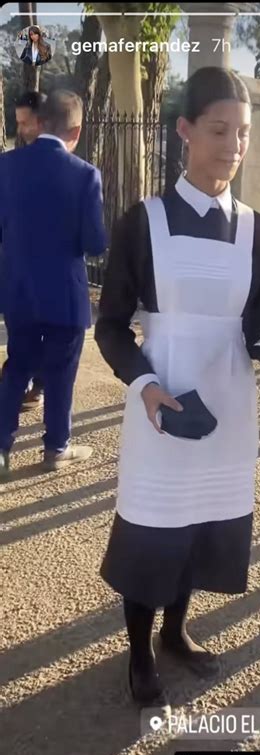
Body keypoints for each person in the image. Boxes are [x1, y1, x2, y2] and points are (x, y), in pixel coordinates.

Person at [95, 67, 260, 707]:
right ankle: (139, 653)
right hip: (163, 409)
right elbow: (109, 328)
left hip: (230, 411)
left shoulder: (255, 230)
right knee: (152, 531)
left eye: (242, 134)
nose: (232, 145)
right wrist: (147, 384)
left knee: (199, 527)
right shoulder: (146, 222)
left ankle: (176, 633)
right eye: (219, 129)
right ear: (186, 131)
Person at [0, 90, 107, 480]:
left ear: (40, 123)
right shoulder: (85, 175)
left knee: (17, 367)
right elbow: (95, 244)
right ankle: (56, 447)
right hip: (64, 292)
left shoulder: (5, 166)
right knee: (61, 373)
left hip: (18, 289)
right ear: (76, 130)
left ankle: (1, 447)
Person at [0, 92, 48, 409]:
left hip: (44, 262)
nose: (21, 130)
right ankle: (23, 382)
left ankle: (31, 383)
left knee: (39, 330)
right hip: (14, 262)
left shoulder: (63, 163)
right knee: (22, 330)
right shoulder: (11, 165)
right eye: (17, 123)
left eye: (26, 123)